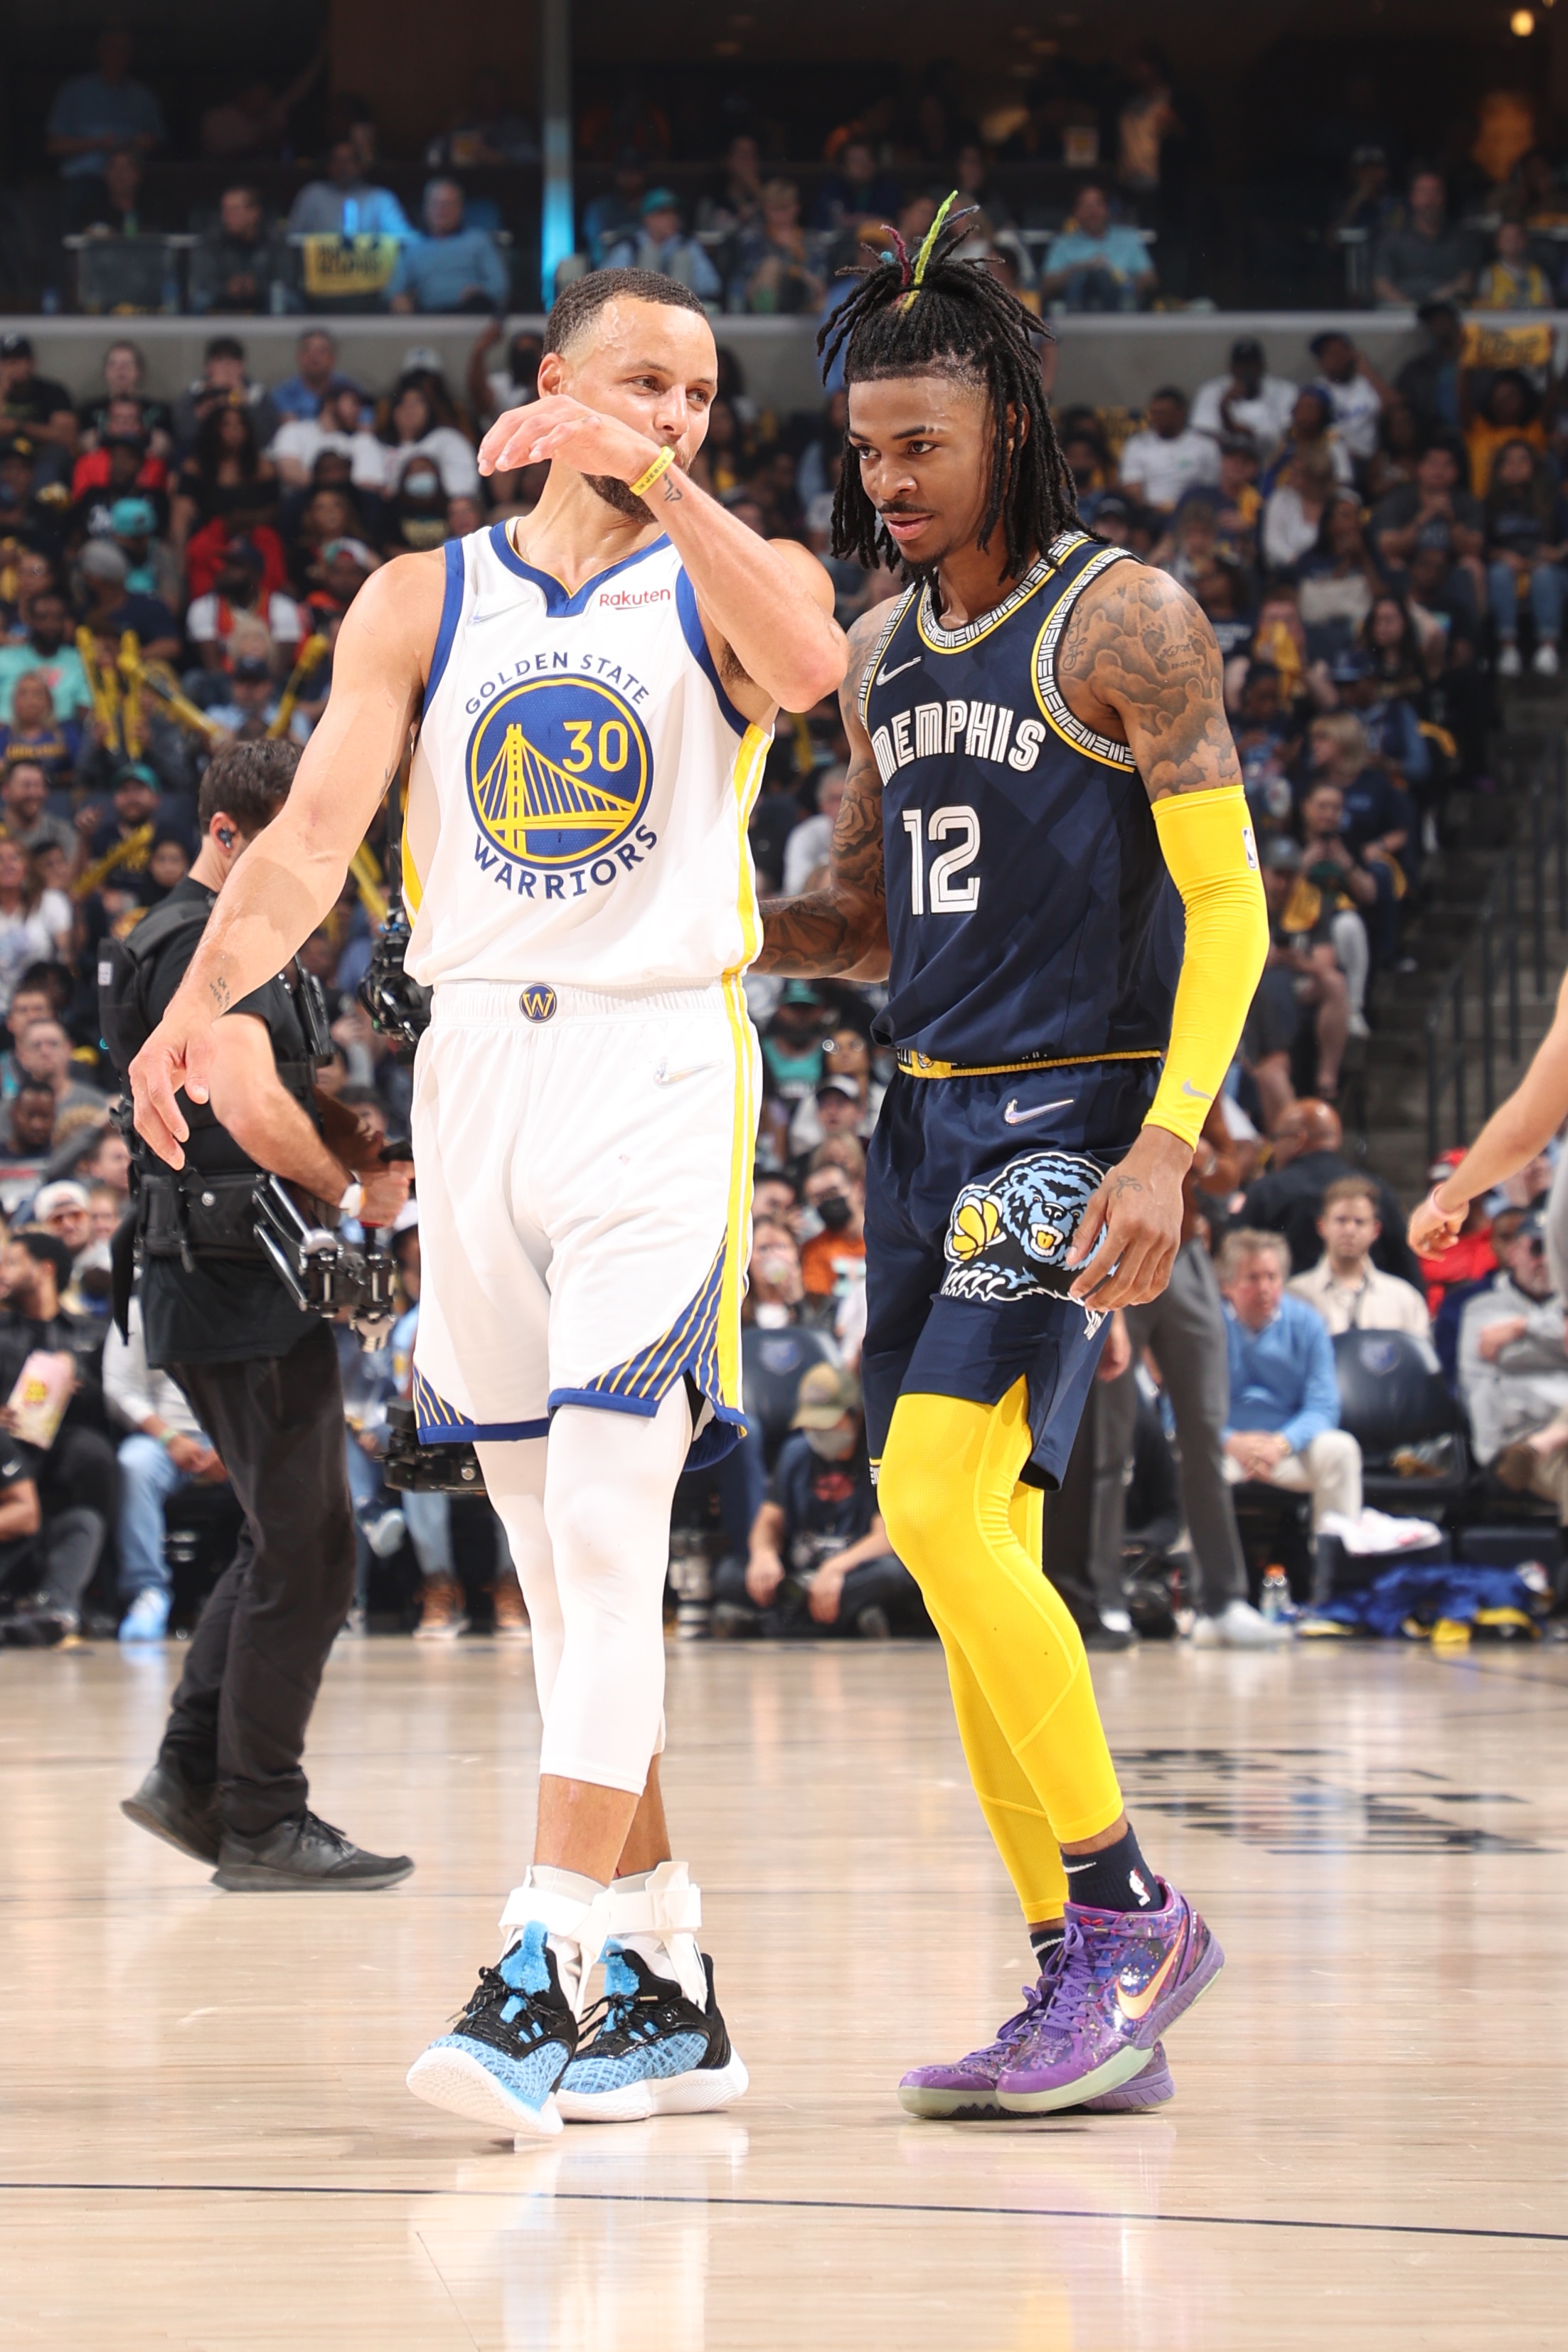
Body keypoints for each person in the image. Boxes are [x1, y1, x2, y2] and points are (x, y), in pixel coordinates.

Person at [127, 267, 844, 2134]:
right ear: (546, 384)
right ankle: (669, 1977)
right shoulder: (421, 597)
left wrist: (664, 483)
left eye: (698, 397)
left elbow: (813, 666)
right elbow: (308, 838)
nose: (673, 415)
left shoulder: (724, 575)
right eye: (639, 383)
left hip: (655, 1070)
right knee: (554, 1562)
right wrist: (203, 1006)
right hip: (475, 1080)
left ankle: (546, 1965)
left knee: (606, 1529)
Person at [755, 203, 1266, 2117]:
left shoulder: (1125, 618)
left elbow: (1233, 911)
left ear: (1012, 429)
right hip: (920, 1110)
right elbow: (862, 919)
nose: (888, 478)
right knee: (973, 1551)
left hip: (1069, 1112)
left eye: (923, 443)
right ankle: (1075, 1980)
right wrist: (704, 930)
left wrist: (1167, 1147)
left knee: (927, 1499)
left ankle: (1130, 1909)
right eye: (867, 446)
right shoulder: (875, 647)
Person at [113, 740, 415, 1891]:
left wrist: (358, 1146)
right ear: (226, 835)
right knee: (313, 1549)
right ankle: (262, 1820)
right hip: (228, 1278)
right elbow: (241, 1092)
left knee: (278, 1534)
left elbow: (288, 1091)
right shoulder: (196, 939)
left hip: (243, 1276)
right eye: (284, 844)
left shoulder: (249, 942)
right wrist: (344, 1186)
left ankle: (194, 1774)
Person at [725, 1363, 929, 1637]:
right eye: (812, 1422)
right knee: (728, 1574)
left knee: (893, 1575)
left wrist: (836, 1568)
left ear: (855, 1415)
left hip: (851, 1571)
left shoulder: (877, 1458)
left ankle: (773, 1623)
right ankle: (847, 1622)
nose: (818, 1430)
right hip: (799, 1574)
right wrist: (764, 1555)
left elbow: (886, 1537)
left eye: (828, 1421)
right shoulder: (794, 1454)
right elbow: (768, 1521)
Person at [1218, 1228, 1362, 1595]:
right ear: (1228, 1285)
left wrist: (1280, 1444)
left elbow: (1323, 1406)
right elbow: (1179, 1408)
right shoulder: (1207, 1326)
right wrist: (1230, 1442)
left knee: (1341, 1449)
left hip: (1287, 1450)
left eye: (1272, 1277)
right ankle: (1196, 1585)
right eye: (1252, 1278)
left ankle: (1334, 1581)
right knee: (1190, 1459)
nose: (1264, 1288)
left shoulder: (1308, 1323)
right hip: (1227, 1450)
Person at [0, 1228, 117, 1644]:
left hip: (68, 1442)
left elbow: (112, 1403)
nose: (3, 1272)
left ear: (44, 1269)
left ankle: (88, 1601)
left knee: (95, 1457)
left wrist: (79, 1380)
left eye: (12, 1263)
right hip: (9, 1445)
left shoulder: (91, 1332)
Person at [104, 1291, 227, 1641]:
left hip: (233, 1437)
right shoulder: (138, 1309)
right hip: (162, 1438)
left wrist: (231, 1445)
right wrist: (170, 1438)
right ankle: (147, 1591)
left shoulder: (241, 1301)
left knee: (278, 1467)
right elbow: (120, 1390)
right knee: (133, 1466)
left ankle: (269, 1587)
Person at [1456, 1210, 1568, 1513]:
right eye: (1537, 1248)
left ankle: (1548, 1440)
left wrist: (1522, 1328)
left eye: (1555, 1250)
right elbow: (1478, 1380)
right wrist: (1558, 1342)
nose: (1545, 1261)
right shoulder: (1481, 1309)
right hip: (1519, 1441)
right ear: (1514, 1253)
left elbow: (1513, 1351)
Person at [1246, 1097, 1420, 1286]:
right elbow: (1407, 1267)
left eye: (1276, 1139)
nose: (1273, 1149)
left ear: (1299, 1139)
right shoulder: (1379, 1191)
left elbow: (1235, 1260)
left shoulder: (1265, 1193)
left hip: (1283, 1299)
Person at [1288, 1172, 1431, 1338]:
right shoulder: (1293, 1296)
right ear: (1322, 1225)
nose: (1350, 1230)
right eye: (1341, 1220)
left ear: (1376, 1230)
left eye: (1360, 1222)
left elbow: (1421, 1352)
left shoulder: (1404, 1299)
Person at [1483, 438, 1567, 679]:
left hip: (1547, 567)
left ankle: (1548, 647)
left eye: (1522, 461)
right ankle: (1508, 648)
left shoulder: (1553, 501)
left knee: (1544, 575)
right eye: (1508, 462)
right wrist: (1502, 555)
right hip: (1506, 567)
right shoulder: (1490, 504)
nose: (1515, 467)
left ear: (1533, 467)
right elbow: (1483, 547)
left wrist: (1556, 553)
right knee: (1499, 573)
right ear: (1499, 469)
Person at [46, 28, 164, 181]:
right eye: (112, 49)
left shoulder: (143, 96)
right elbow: (54, 146)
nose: (118, 55)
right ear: (100, 52)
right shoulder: (73, 91)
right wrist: (97, 143)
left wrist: (137, 142)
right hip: (84, 176)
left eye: (124, 50)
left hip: (130, 181)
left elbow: (157, 141)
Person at [389, 180, 511, 315]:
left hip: (471, 315)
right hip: (429, 317)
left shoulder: (479, 241)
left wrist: (481, 291)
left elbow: (500, 286)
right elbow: (393, 289)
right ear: (426, 208)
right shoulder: (414, 247)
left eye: (449, 204)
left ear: (460, 209)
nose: (442, 210)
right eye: (436, 204)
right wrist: (397, 297)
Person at [1038, 183, 1155, 312]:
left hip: (1122, 314)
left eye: (1098, 204)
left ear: (1107, 209)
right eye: (1085, 206)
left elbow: (1150, 279)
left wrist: (1127, 282)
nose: (1092, 211)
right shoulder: (1062, 244)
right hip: (1076, 315)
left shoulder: (1129, 239)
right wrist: (1077, 269)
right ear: (1075, 212)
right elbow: (1046, 286)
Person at [1372, 169, 1476, 309]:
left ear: (1444, 197)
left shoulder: (1461, 240)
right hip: (1399, 310)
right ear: (1412, 198)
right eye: (1423, 192)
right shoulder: (1392, 239)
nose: (1429, 199)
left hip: (1446, 311)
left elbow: (1467, 280)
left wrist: (1441, 300)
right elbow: (1381, 284)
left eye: (1435, 192)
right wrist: (1409, 307)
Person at [188, 183, 292, 316]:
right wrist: (228, 288)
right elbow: (204, 281)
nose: (228, 216)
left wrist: (256, 287)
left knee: (287, 299)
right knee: (200, 299)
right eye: (225, 210)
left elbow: (285, 279)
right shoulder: (212, 242)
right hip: (222, 299)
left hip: (263, 299)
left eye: (235, 210)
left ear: (254, 212)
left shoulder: (274, 241)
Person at [604, 188, 722, 304]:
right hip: (639, 310)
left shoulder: (687, 246)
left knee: (681, 258)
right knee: (649, 255)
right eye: (663, 213)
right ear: (648, 218)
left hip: (679, 310)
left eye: (674, 213)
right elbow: (605, 284)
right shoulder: (631, 247)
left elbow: (711, 285)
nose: (671, 218)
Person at [1118, 386, 1221, 514]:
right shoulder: (1137, 444)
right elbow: (1132, 486)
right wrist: (1153, 509)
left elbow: (1212, 487)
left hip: (1192, 513)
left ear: (1180, 413)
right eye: (1153, 413)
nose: (1156, 418)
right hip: (1149, 513)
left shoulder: (1205, 445)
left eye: (1162, 413)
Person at [1190, 338, 1296, 456]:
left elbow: (1290, 433)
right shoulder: (1211, 391)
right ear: (1231, 368)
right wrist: (1224, 409)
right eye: (1240, 365)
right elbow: (1202, 436)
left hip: (1272, 457)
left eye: (1250, 365)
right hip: (1224, 459)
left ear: (1261, 367)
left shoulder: (1284, 390)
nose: (1245, 370)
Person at [1308, 329, 1391, 469]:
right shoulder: (1315, 392)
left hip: (1373, 462)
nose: (1338, 358)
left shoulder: (1367, 383)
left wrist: (1365, 369)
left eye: (1341, 351)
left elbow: (1394, 408)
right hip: (1334, 464)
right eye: (1331, 354)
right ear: (1320, 362)